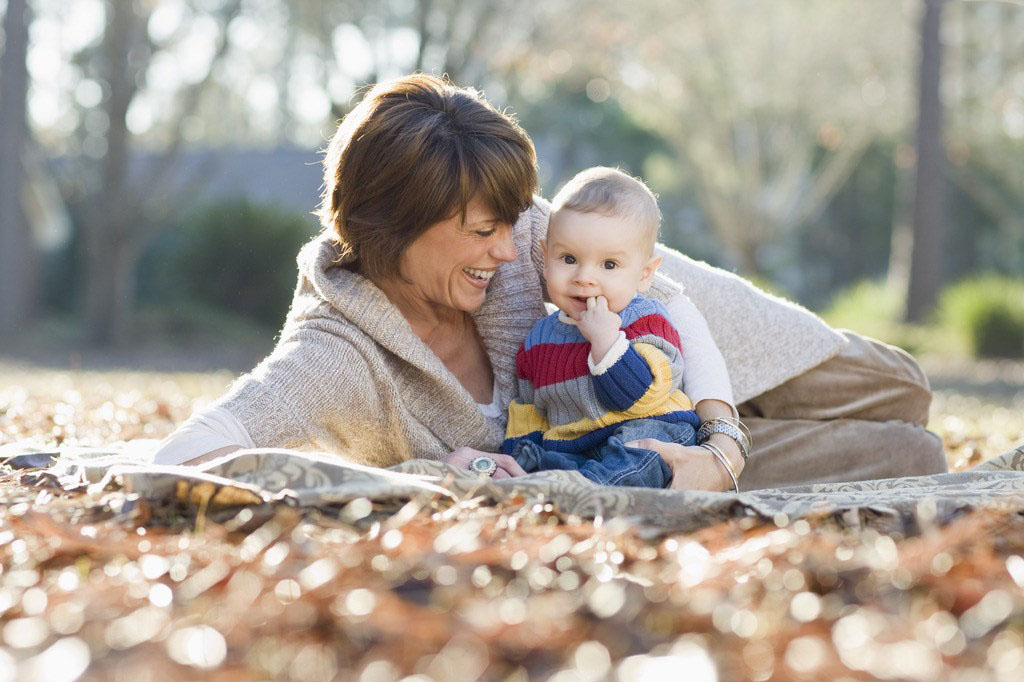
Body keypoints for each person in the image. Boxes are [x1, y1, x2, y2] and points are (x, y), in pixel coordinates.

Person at [152, 73, 947, 491]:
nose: (514, 248)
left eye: (514, 218)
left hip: (677, 333)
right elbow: (191, 452)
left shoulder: (531, 234)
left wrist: (725, 445)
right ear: (392, 225)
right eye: (483, 230)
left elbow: (659, 293)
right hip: (631, 449)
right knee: (911, 452)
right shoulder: (337, 351)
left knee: (899, 387)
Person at [502, 167, 739, 488]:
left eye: (609, 265)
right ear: (545, 258)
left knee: (641, 457)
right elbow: (529, 409)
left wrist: (607, 342)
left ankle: (589, 491)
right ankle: (562, 485)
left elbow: (636, 396)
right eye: (568, 259)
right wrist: (517, 452)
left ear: (644, 274)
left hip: (650, 427)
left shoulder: (647, 320)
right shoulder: (538, 340)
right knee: (542, 457)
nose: (584, 277)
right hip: (578, 444)